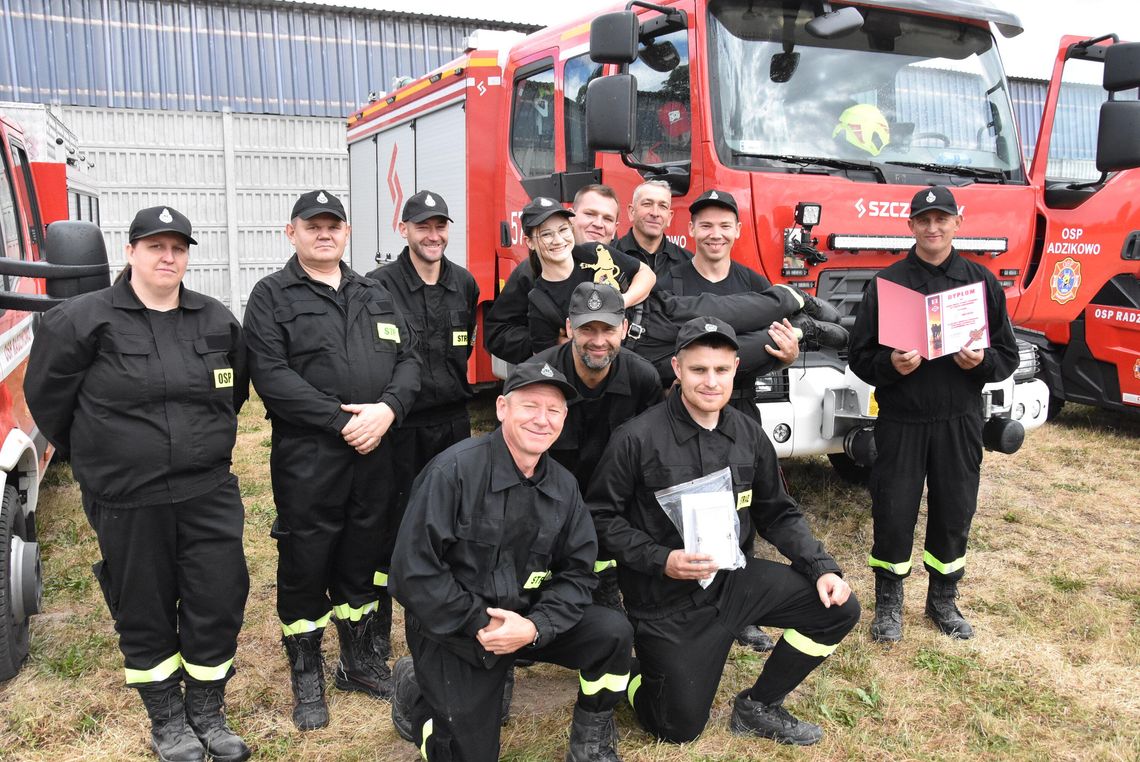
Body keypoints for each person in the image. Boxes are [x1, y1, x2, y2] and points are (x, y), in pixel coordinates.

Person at [26, 206, 251, 762]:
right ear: (131, 253)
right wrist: (102, 459)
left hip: (207, 493)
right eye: (155, 246)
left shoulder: (216, 319)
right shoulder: (81, 321)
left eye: (178, 247)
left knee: (217, 598)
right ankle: (168, 722)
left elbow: (235, 390)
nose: (168, 256)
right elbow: (49, 400)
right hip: (129, 498)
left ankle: (207, 712)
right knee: (144, 605)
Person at [587, 317, 860, 747]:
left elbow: (778, 512)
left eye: (720, 370)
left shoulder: (747, 432)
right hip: (667, 603)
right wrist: (663, 559)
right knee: (677, 730)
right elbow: (599, 519)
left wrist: (821, 567)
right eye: (698, 370)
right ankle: (633, 674)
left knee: (838, 608)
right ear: (677, 369)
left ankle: (759, 705)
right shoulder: (636, 438)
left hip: (734, 582)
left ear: (735, 368)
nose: (710, 382)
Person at [388, 360, 633, 762]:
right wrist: (483, 624)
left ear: (564, 419)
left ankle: (591, 740)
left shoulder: (564, 487)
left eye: (553, 410)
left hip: (527, 617)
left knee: (612, 632)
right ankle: (417, 697)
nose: (542, 420)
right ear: (502, 408)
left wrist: (537, 626)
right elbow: (413, 573)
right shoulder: (453, 472)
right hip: (456, 628)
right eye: (529, 406)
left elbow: (578, 573)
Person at [243, 189, 420, 729]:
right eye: (313, 225)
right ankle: (306, 674)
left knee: (363, 555)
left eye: (334, 225)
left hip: (375, 450)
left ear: (347, 233)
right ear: (291, 232)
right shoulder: (271, 295)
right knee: (306, 559)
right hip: (311, 455)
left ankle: (359, 662)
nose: (325, 234)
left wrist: (387, 411)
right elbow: (271, 376)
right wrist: (342, 420)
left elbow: (410, 361)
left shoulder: (375, 292)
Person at [848, 185, 1018, 642]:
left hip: (959, 420)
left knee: (954, 511)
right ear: (911, 226)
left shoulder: (981, 283)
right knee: (893, 510)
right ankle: (889, 603)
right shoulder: (887, 284)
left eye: (941, 219)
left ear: (957, 223)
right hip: (902, 420)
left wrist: (982, 363)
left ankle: (943, 599)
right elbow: (859, 358)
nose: (933, 227)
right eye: (923, 220)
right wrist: (890, 365)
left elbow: (1008, 355)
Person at [367, 189, 479, 663]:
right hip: (399, 427)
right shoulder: (378, 287)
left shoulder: (465, 284)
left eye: (440, 226)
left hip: (452, 424)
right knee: (389, 526)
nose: (433, 235)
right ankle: (375, 630)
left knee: (455, 522)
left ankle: (446, 618)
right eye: (422, 226)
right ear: (404, 230)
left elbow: (465, 349)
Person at [534, 282, 664, 609]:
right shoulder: (537, 377)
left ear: (624, 328)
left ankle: (607, 581)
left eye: (607, 329)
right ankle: (535, 589)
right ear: (568, 328)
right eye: (586, 329)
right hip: (550, 491)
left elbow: (649, 457)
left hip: (613, 496)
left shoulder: (642, 378)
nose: (598, 341)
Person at [483, 195, 655, 363]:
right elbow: (542, 358)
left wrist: (619, 302)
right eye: (546, 234)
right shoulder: (535, 290)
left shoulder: (595, 253)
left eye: (563, 229)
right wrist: (560, 345)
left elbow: (646, 274)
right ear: (529, 242)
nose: (558, 240)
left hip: (642, 350)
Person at [615, 179, 691, 290]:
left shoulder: (688, 263)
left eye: (662, 206)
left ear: (669, 217)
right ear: (631, 212)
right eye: (647, 204)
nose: (655, 213)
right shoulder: (610, 257)